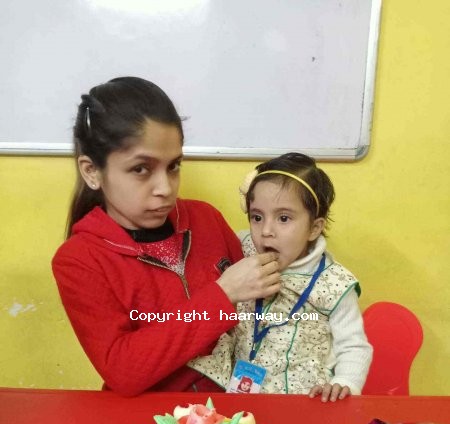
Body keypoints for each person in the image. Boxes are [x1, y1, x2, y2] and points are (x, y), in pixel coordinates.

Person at [52, 76, 280, 396]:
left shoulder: (205, 219)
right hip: (150, 418)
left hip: (231, 407)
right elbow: (124, 370)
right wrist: (222, 294)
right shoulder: (80, 260)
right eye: (141, 169)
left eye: (173, 166)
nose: (165, 188)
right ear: (92, 171)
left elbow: (262, 311)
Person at [189, 153, 373, 402]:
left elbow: (354, 345)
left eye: (284, 218)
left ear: (314, 228)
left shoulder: (334, 284)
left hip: (302, 402)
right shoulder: (243, 253)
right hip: (239, 396)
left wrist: (345, 383)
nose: (266, 231)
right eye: (257, 217)